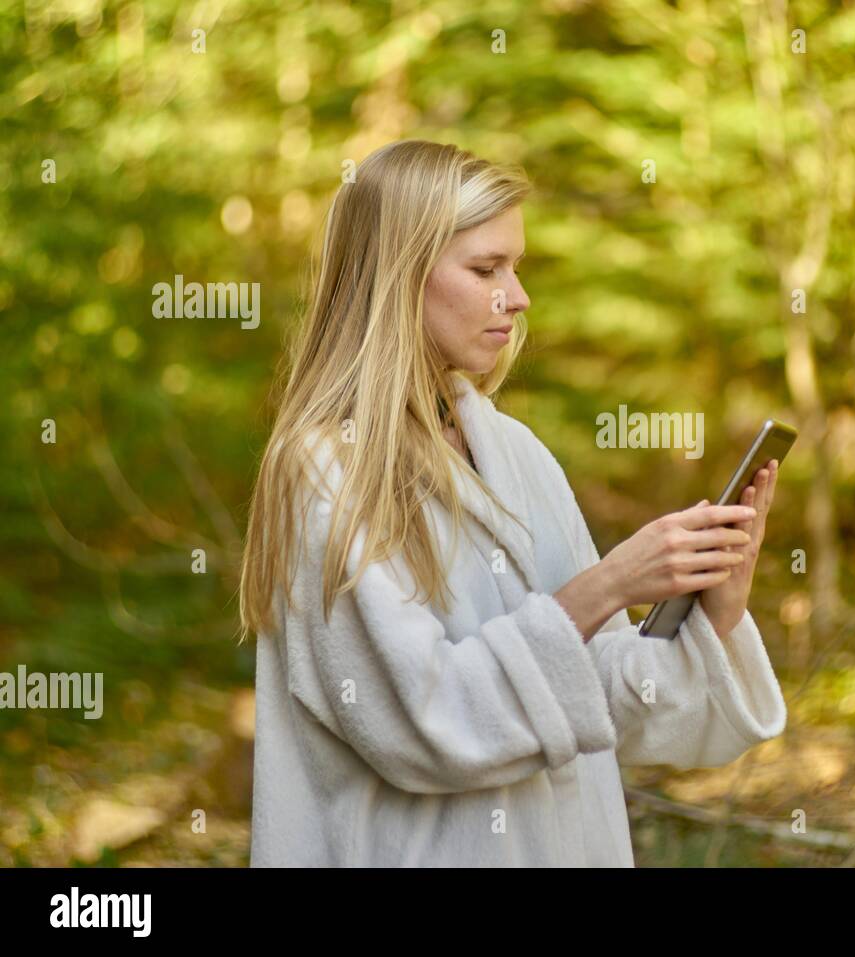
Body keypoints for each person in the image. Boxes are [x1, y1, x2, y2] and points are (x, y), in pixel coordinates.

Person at [238, 139, 787, 867]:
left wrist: (715, 612)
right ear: (399, 277)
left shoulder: (515, 453)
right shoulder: (325, 470)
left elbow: (592, 696)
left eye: (516, 266)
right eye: (485, 268)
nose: (517, 296)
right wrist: (610, 584)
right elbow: (426, 721)